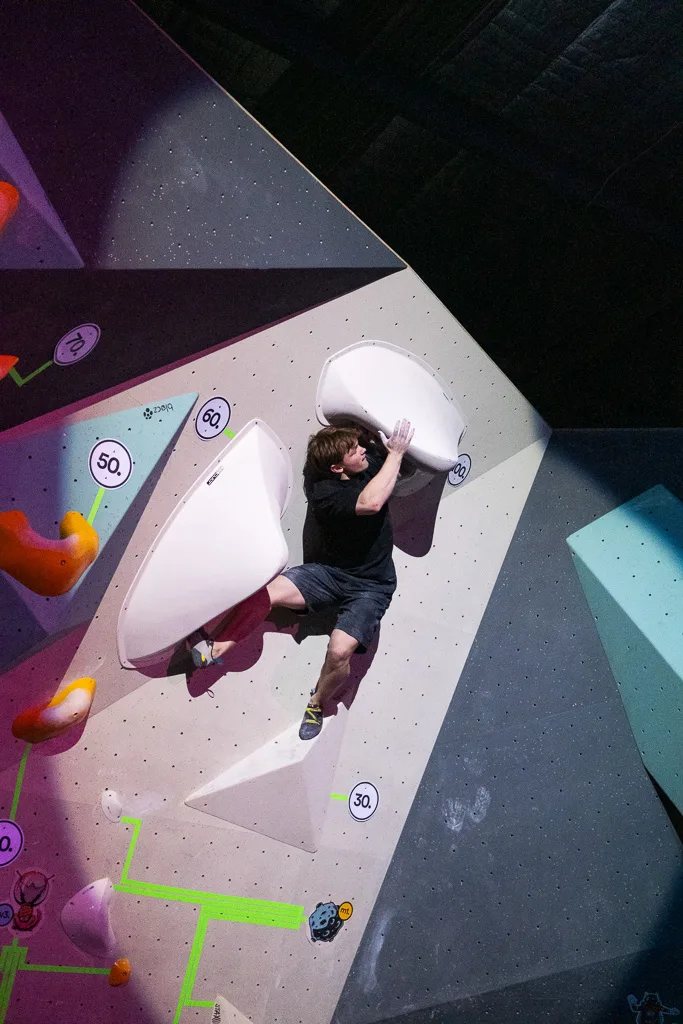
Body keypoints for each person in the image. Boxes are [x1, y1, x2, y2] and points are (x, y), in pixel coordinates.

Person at [187, 418, 414, 740]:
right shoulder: (325, 494)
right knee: (266, 592)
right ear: (336, 468)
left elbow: (400, 472)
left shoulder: (369, 462)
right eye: (354, 450)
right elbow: (371, 502)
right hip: (329, 574)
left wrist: (383, 449)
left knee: (339, 652)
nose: (363, 450)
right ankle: (217, 648)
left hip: (372, 587)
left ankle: (317, 703)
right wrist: (396, 453)